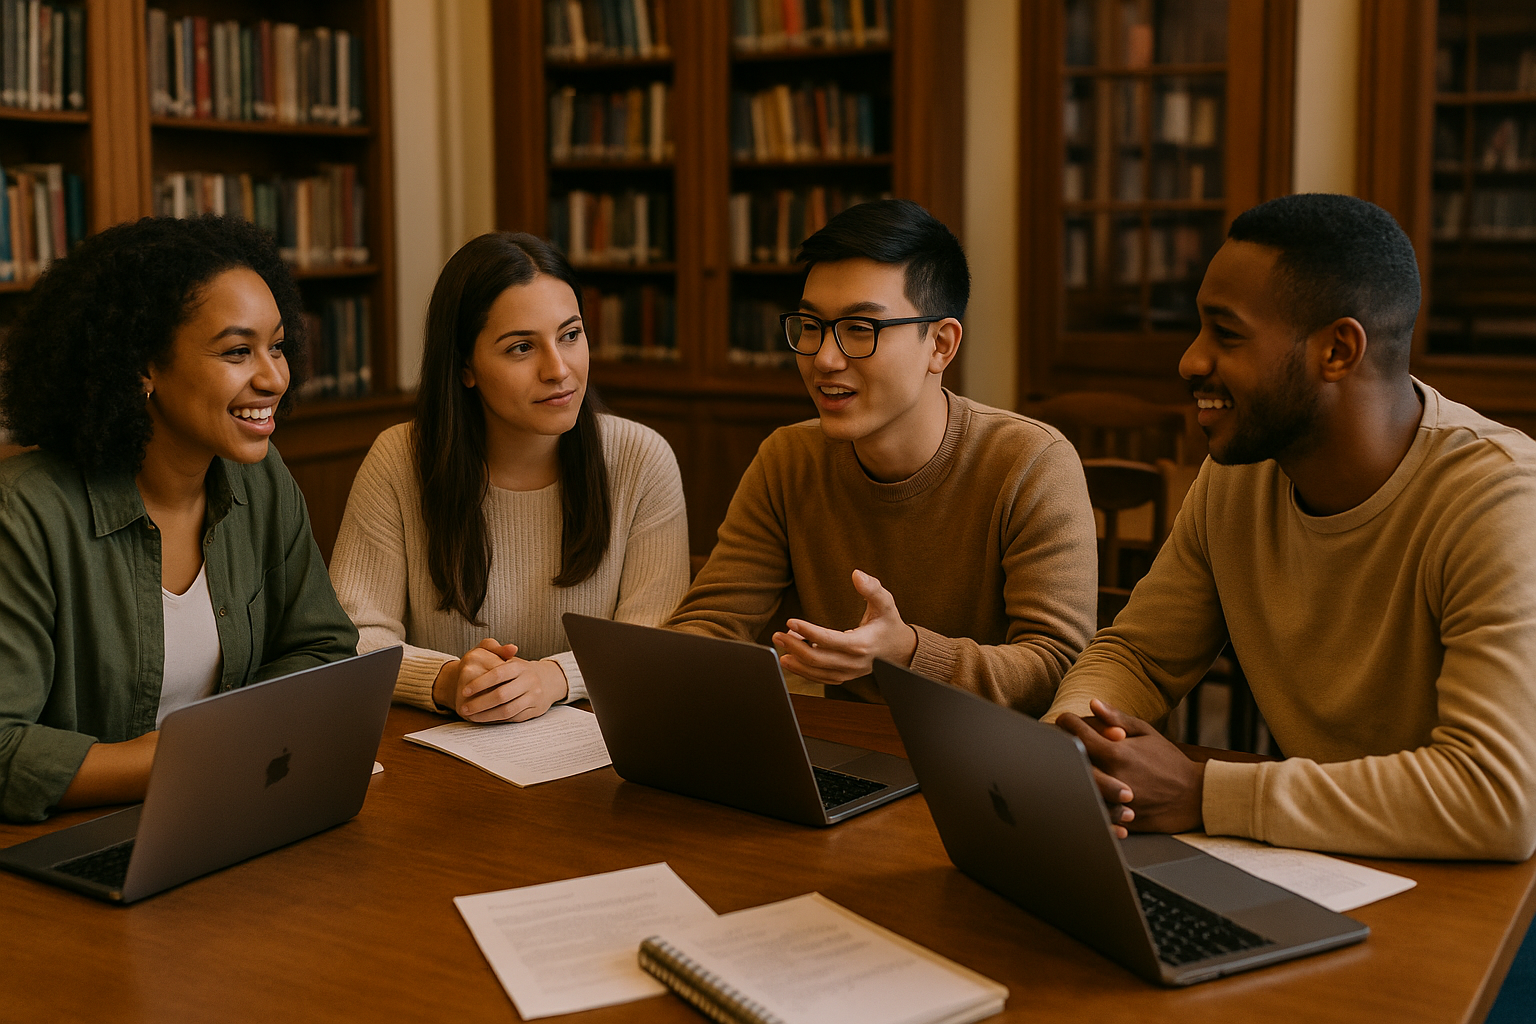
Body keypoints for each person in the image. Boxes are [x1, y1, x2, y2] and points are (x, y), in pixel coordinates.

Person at [1045, 193, 1536, 861]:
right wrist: (1075, 740)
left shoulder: (1498, 498)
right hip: (1334, 858)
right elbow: (1139, 656)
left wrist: (1201, 792)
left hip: (1503, 901)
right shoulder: (1238, 473)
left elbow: (1495, 800)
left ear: (1337, 350)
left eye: (1226, 333)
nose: (1191, 361)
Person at [666, 199, 1097, 712]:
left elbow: (1057, 667)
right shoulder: (789, 458)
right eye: (810, 325)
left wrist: (909, 652)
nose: (825, 358)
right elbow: (712, 622)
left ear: (940, 344)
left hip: (990, 762)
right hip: (850, 745)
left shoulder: (1031, 462)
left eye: (860, 329)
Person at [0, 215, 360, 824]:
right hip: (76, 846)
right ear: (143, 366)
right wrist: (197, 755)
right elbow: (5, 748)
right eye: (237, 351)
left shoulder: (260, 478)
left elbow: (322, 647)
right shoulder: (26, 514)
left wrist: (230, 750)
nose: (274, 377)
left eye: (277, 346)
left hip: (227, 810)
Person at [329, 232, 689, 722]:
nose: (558, 369)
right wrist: (447, 679)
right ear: (465, 367)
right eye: (522, 347)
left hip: (598, 757)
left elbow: (656, 640)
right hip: (444, 756)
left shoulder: (641, 459)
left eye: (570, 335)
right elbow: (353, 635)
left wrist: (554, 678)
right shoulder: (399, 460)